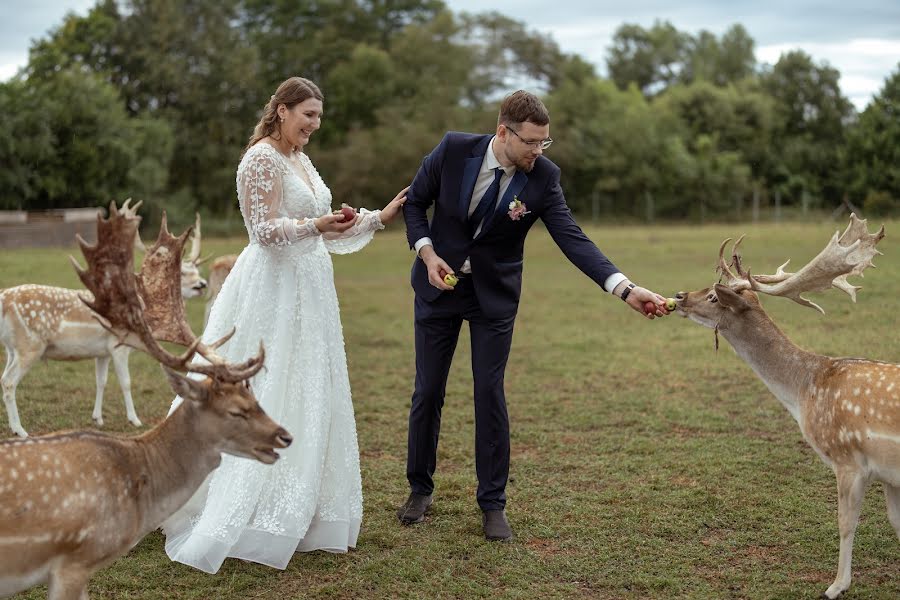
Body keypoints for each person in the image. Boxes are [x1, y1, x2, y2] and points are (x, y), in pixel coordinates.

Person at [162, 76, 408, 573]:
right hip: (271, 290)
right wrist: (317, 226)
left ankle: (303, 507)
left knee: (308, 390)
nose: (314, 125)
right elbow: (263, 231)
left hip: (312, 290)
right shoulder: (261, 159)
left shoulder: (299, 159)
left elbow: (322, 226)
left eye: (318, 117)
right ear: (281, 111)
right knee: (266, 386)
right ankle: (226, 502)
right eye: (308, 115)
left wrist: (376, 217)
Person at [398, 90, 668, 541]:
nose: (538, 151)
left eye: (545, 142)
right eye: (531, 142)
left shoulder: (543, 177)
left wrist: (624, 288)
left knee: (489, 393)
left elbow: (573, 239)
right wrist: (426, 255)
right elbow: (413, 205)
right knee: (428, 392)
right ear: (503, 132)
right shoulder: (452, 150)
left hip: (493, 300)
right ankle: (419, 489)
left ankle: (493, 503)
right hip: (436, 289)